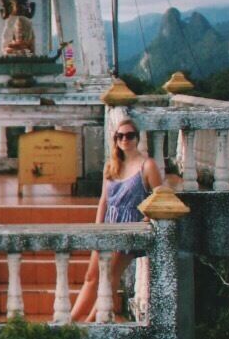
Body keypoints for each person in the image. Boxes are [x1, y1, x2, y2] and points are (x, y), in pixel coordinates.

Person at [70, 113, 165, 321]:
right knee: (91, 277)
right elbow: (104, 200)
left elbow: (162, 197)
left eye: (129, 136)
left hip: (129, 227)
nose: (125, 140)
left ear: (137, 138)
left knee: (110, 278)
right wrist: (97, 228)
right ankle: (68, 322)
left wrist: (146, 221)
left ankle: (89, 323)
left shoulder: (147, 165)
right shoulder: (111, 165)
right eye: (120, 136)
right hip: (108, 225)